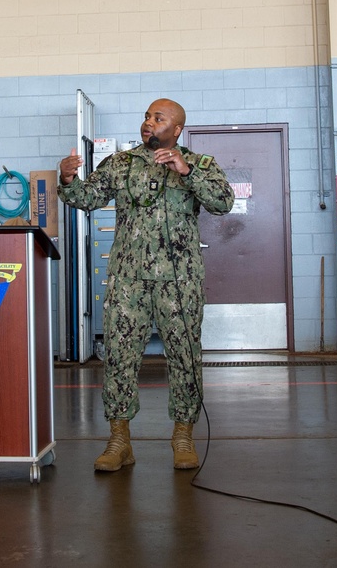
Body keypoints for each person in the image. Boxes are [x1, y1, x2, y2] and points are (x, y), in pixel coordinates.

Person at [58, 99, 235, 471]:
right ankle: (119, 439)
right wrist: (68, 180)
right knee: (120, 357)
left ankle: (183, 434)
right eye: (146, 117)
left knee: (184, 357)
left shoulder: (199, 164)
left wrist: (186, 171)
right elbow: (86, 198)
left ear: (176, 130)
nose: (148, 123)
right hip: (128, 279)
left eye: (158, 119)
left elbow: (223, 202)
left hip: (179, 280)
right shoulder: (122, 164)